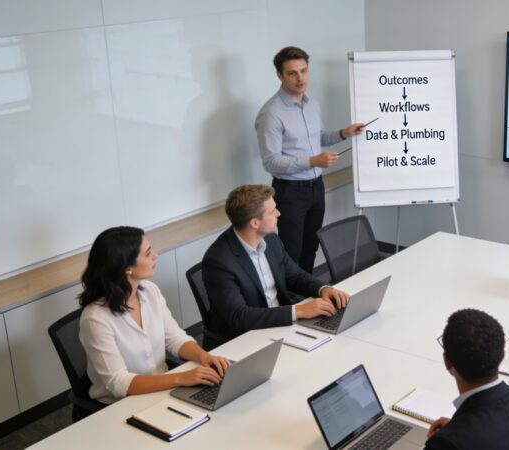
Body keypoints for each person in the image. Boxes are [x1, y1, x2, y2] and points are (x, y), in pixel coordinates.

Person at [78, 227, 231, 405]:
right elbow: (119, 383)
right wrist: (181, 378)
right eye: (148, 253)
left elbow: (175, 339)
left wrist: (205, 357)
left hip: (163, 388)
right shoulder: (95, 319)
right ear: (127, 268)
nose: (155, 256)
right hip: (123, 403)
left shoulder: (150, 291)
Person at [255, 46, 365, 273]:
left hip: (316, 188)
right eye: (292, 73)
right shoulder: (271, 113)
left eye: (304, 71)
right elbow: (271, 162)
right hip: (290, 192)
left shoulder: (311, 103)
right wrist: (313, 161)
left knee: (310, 248)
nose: (300, 78)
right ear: (279, 75)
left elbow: (319, 138)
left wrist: (344, 133)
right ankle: (291, 305)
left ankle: (307, 297)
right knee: (291, 252)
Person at [201, 184, 349, 343]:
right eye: (273, 211)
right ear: (255, 223)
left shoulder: (270, 239)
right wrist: (297, 311)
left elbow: (296, 276)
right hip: (245, 339)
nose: (279, 213)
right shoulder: (218, 261)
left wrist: (323, 289)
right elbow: (239, 316)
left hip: (282, 326)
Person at [425, 309, 509, 450]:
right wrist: (456, 430)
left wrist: (450, 437)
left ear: (447, 362)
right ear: (502, 355)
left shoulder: (449, 442)